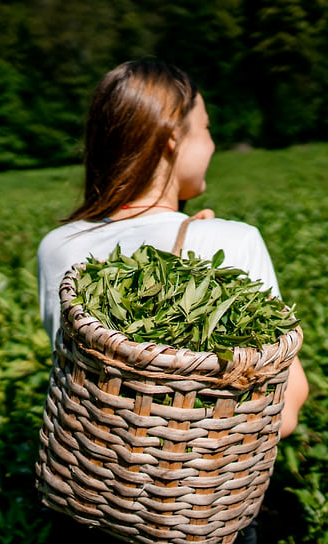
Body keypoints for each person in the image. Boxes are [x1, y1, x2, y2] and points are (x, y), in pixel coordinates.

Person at [36, 59, 309, 544]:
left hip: (88, 510)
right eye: (205, 129)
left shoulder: (59, 245)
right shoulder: (233, 240)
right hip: (195, 517)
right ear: (171, 138)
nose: (213, 145)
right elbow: (281, 412)